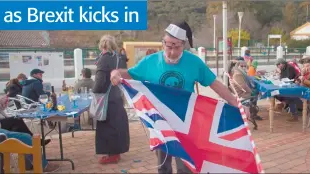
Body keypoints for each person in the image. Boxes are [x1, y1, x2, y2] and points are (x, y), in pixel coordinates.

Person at [109, 21, 237, 174]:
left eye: (177, 47)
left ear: (183, 45)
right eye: (168, 46)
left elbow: (214, 84)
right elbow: (128, 73)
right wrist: (115, 73)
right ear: (163, 43)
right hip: (160, 121)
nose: (171, 52)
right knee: (163, 164)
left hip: (186, 121)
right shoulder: (150, 62)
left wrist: (234, 101)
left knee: (186, 165)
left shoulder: (193, 62)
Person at [92, 35, 130, 164]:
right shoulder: (118, 58)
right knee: (117, 125)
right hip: (117, 95)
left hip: (107, 98)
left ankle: (111, 155)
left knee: (107, 127)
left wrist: (95, 93)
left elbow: (100, 80)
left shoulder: (104, 59)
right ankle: (116, 153)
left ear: (102, 46)